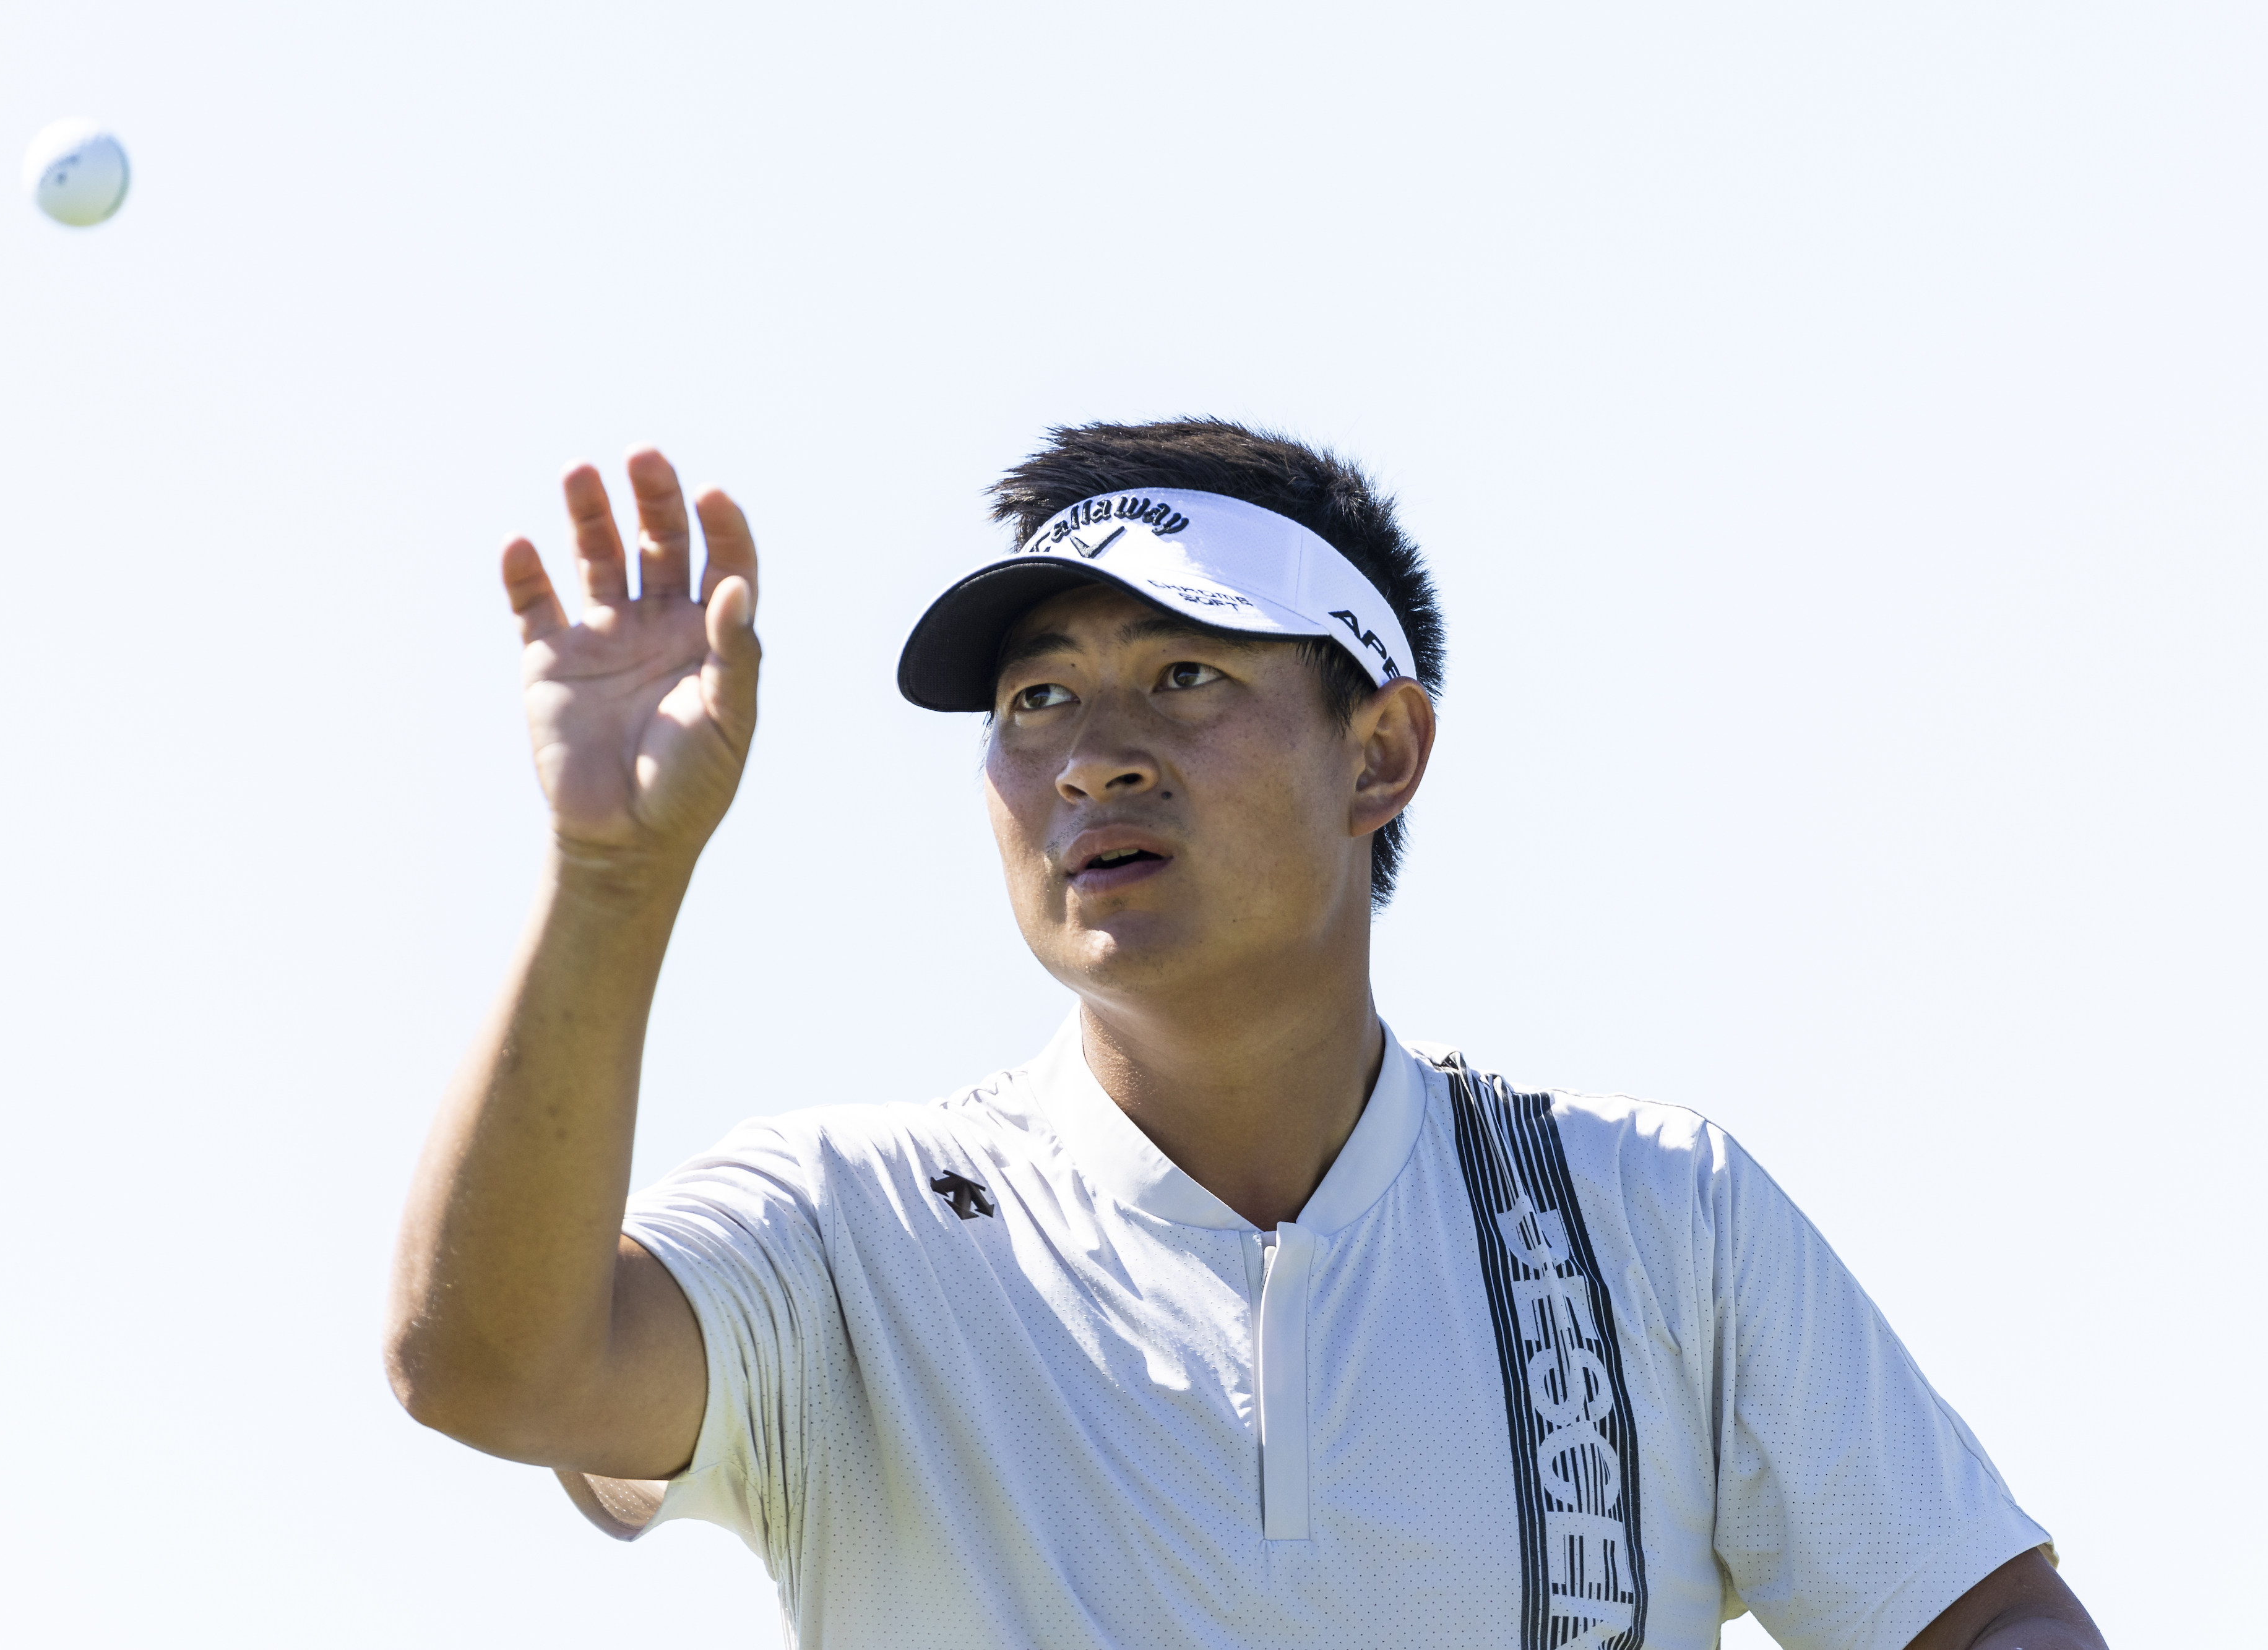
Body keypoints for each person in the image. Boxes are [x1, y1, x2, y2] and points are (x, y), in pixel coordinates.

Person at [385, 421, 2106, 1650]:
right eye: (1036, 699)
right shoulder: (853, 1226)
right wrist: (610, 883)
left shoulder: (1664, 1217)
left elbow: (1981, 1614)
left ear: (1382, 753)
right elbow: (490, 1369)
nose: (1093, 754)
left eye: (1186, 676)